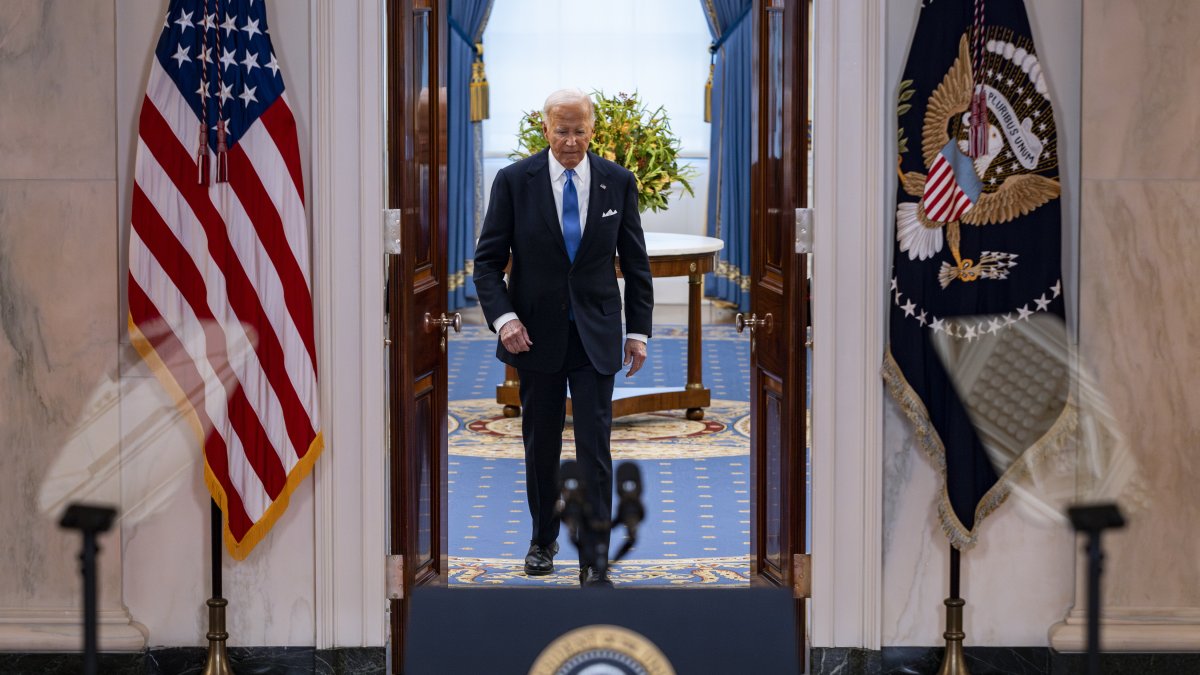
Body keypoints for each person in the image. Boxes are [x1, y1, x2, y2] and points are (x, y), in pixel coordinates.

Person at [473, 88, 654, 587]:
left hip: (596, 334)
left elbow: (636, 265)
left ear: (593, 130)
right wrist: (504, 320)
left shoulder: (618, 182)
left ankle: (594, 553)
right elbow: (487, 264)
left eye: (579, 130)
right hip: (533, 337)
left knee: (595, 448)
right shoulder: (514, 182)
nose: (571, 141)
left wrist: (637, 332)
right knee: (542, 445)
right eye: (561, 130)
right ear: (545, 129)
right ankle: (542, 539)